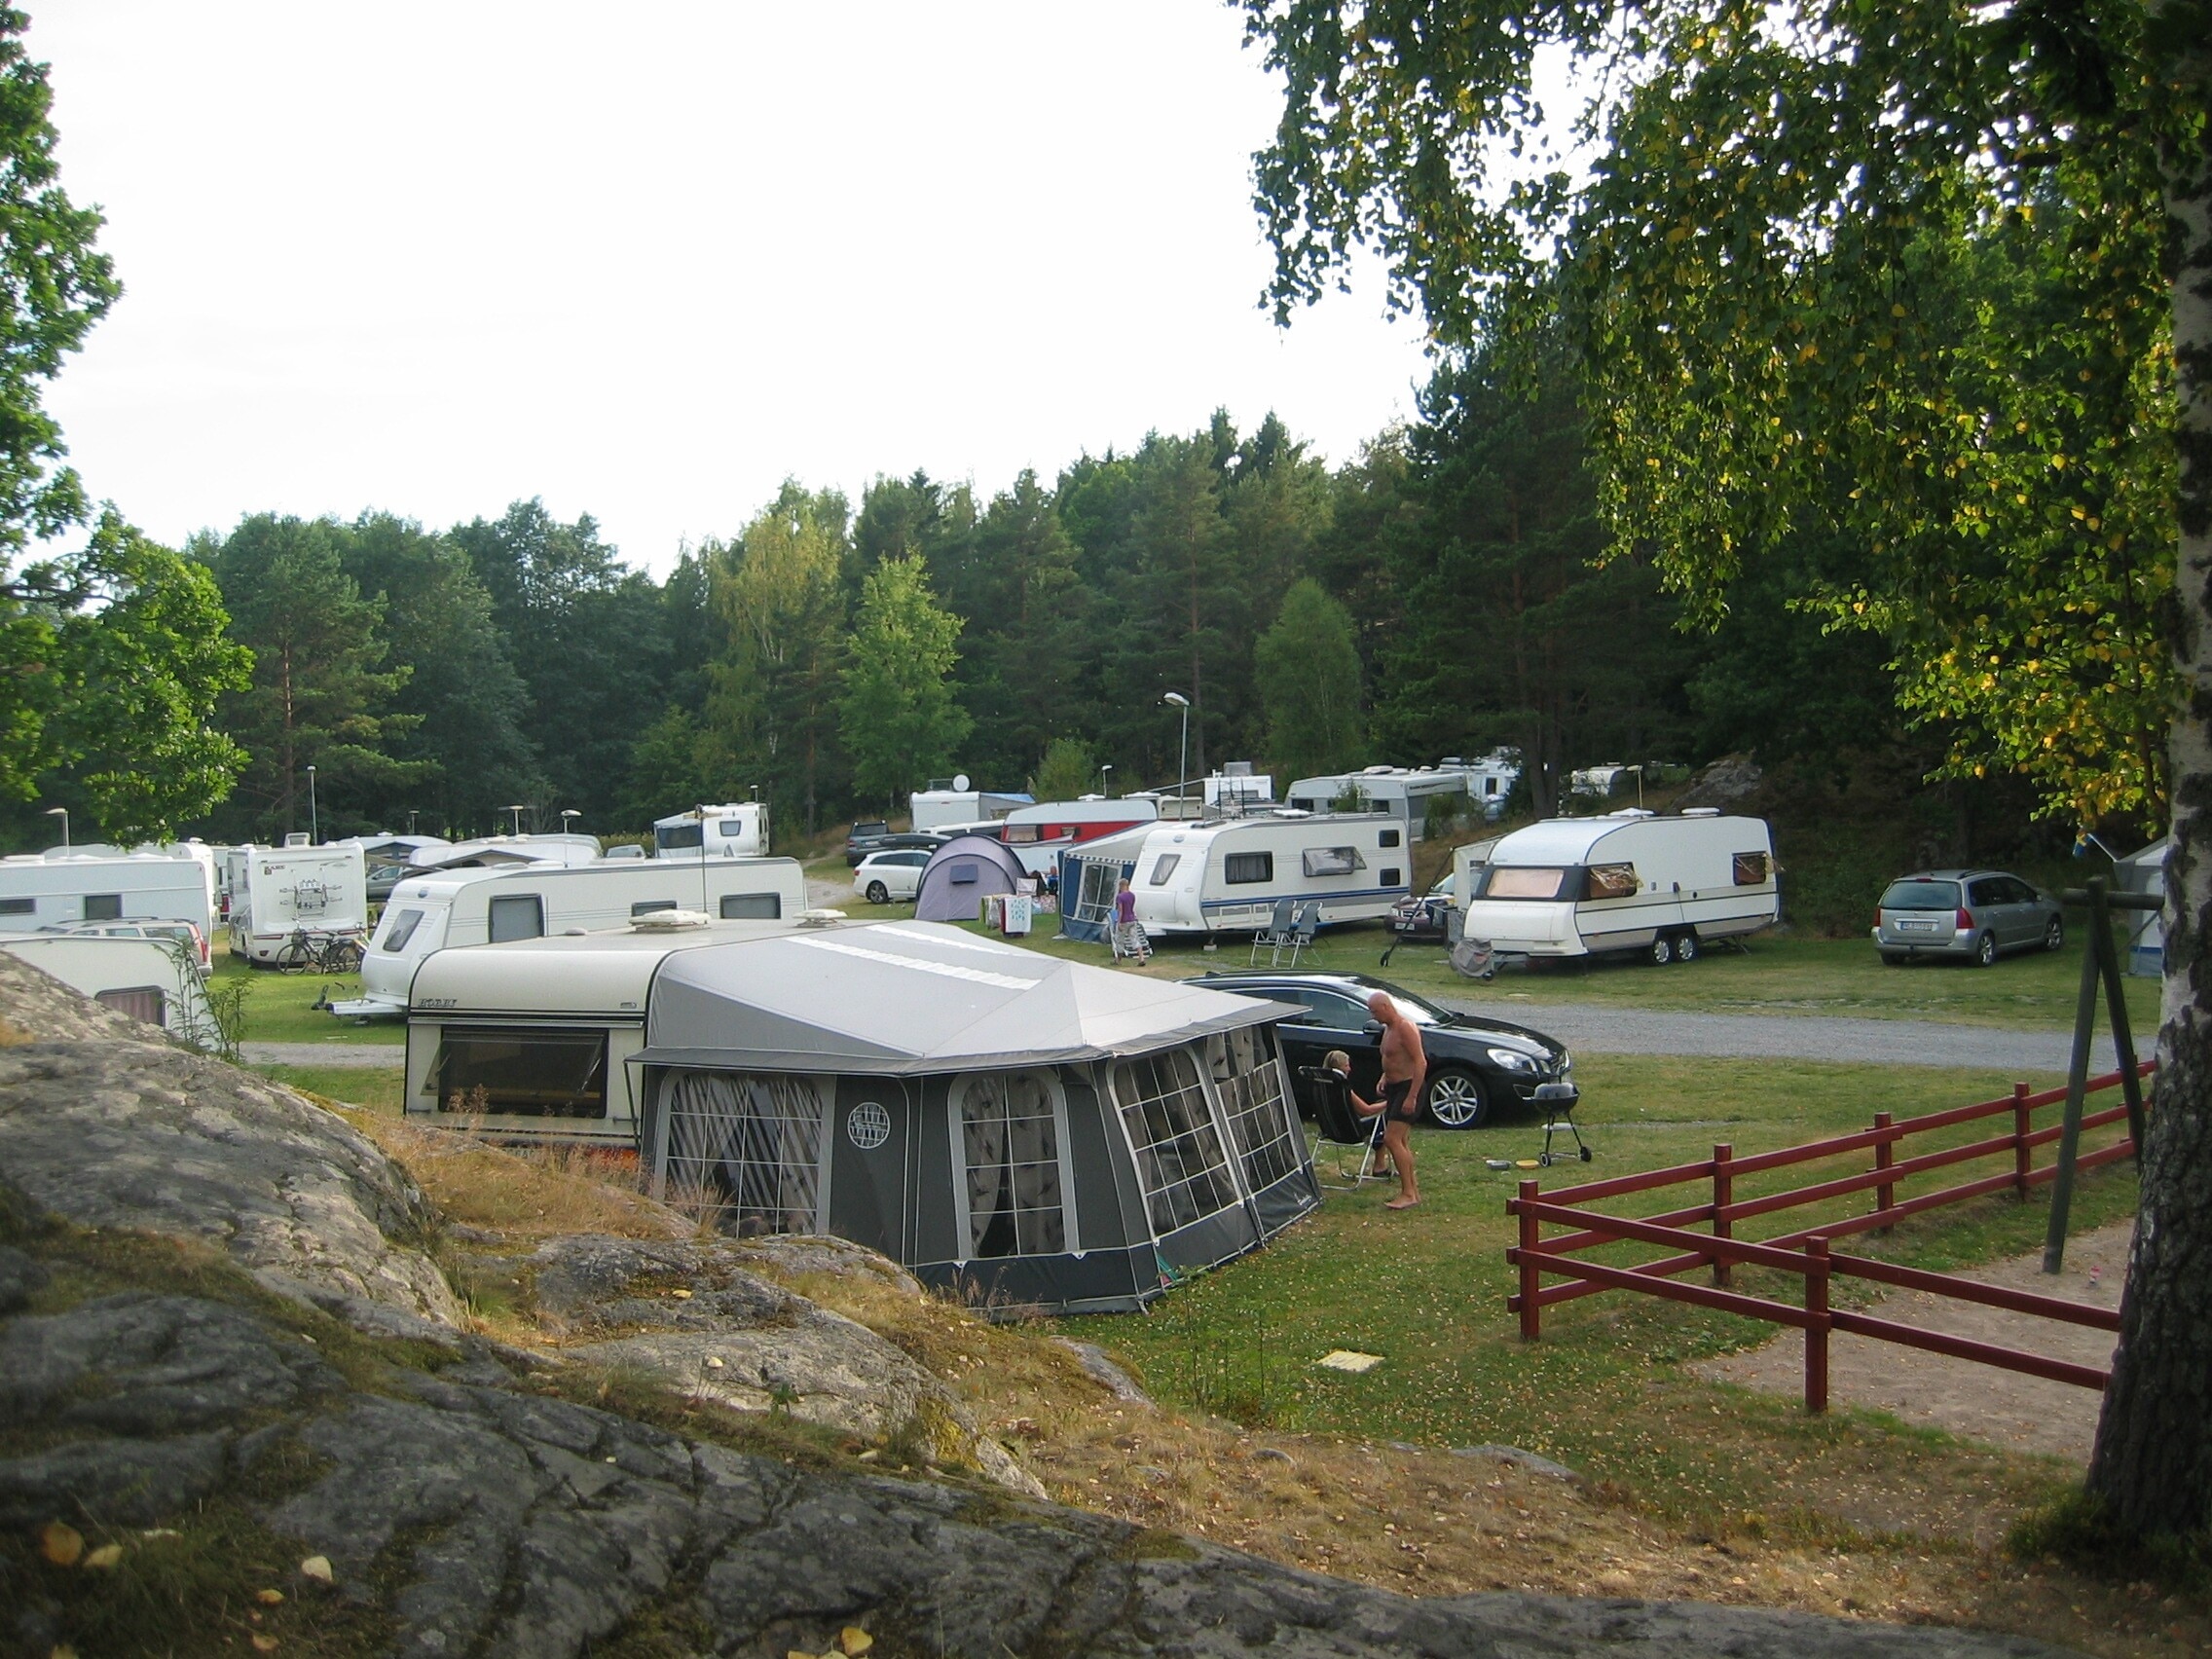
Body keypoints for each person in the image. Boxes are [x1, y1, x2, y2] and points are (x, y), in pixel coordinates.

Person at [1358, 990, 1426, 1209]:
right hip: (1394, 1087)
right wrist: (1384, 1076)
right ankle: (1413, 1191)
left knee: (1392, 1139)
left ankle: (1408, 1193)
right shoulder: (1388, 1029)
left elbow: (1420, 1062)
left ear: (1386, 1007)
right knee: (1401, 1141)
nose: (1374, 1016)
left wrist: (1412, 1096)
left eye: (1375, 1011)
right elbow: (1391, 1056)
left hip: (1408, 1088)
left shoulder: (1405, 1027)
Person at [1111, 877, 1149, 963]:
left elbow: (1120, 910)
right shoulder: (1132, 895)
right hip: (1132, 919)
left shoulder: (1120, 897)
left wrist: (1119, 922)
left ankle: (1118, 960)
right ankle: (1141, 958)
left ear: (1121, 886)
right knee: (1135, 939)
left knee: (1119, 939)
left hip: (1124, 920)